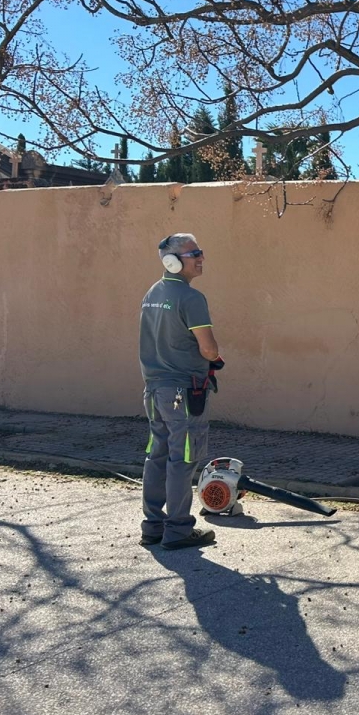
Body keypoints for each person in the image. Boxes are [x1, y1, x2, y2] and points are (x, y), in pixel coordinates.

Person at [138, 233, 222, 549]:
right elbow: (210, 349)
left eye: (201, 251)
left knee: (156, 455)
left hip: (154, 391)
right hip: (184, 393)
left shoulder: (151, 294)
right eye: (194, 253)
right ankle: (178, 529)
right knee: (182, 458)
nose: (201, 258)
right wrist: (213, 356)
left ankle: (153, 526)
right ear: (172, 261)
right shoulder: (191, 298)